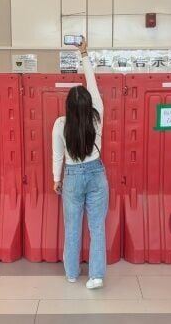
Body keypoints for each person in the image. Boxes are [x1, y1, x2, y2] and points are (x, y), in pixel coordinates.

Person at [52, 36, 109, 290]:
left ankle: (73, 273)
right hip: (97, 175)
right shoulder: (97, 118)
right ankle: (96, 276)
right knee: (97, 227)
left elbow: (57, 155)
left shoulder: (60, 124)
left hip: (72, 177)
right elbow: (93, 86)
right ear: (88, 105)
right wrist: (84, 55)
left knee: (72, 227)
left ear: (68, 107)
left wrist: (56, 179)